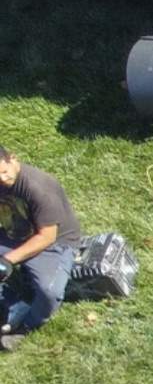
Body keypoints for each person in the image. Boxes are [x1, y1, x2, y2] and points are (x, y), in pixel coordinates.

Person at [0, 147, 80, 353]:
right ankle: (16, 305)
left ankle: (27, 325)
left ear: (12, 159)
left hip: (53, 245)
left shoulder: (39, 187)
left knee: (49, 291)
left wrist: (7, 261)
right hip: (14, 231)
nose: (2, 179)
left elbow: (47, 236)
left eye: (3, 171)